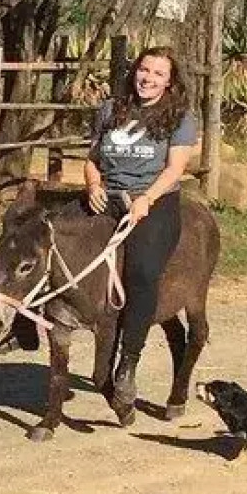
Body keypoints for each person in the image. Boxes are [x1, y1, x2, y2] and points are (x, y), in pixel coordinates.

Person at [84, 45, 199, 410]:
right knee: (47, 239)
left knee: (143, 272)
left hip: (154, 201)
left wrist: (146, 199)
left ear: (169, 82)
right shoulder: (109, 109)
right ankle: (22, 324)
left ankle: (127, 364)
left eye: (158, 74)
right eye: (144, 70)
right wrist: (93, 185)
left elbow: (174, 169)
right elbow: (92, 159)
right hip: (108, 194)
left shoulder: (179, 117)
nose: (148, 78)